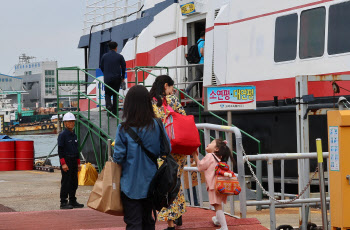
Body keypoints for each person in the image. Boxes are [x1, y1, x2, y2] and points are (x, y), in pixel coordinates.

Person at [113, 85, 170, 230]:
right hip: (151, 183)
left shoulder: (123, 128)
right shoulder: (157, 124)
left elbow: (118, 157)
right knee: (148, 222)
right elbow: (166, 149)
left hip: (130, 185)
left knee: (133, 223)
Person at [150, 75, 187, 230]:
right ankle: (177, 215)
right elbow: (184, 119)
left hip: (162, 149)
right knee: (176, 181)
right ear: (166, 86)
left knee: (167, 184)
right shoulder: (172, 100)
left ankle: (171, 222)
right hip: (178, 148)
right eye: (172, 87)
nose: (173, 91)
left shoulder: (151, 102)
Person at [192, 139, 235, 230]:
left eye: (211, 143)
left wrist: (194, 155)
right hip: (220, 184)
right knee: (218, 204)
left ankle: (224, 227)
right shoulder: (218, 158)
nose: (208, 143)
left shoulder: (210, 156)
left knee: (217, 205)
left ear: (216, 149)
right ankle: (217, 219)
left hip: (213, 185)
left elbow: (200, 166)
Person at [58, 112, 84, 209]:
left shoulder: (74, 135)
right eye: (69, 122)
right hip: (67, 160)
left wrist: (78, 163)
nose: (71, 123)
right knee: (66, 182)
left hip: (74, 160)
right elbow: (60, 150)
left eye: (73, 122)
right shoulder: (62, 135)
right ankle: (63, 202)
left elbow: (77, 150)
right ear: (65, 123)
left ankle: (72, 200)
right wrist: (63, 164)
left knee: (74, 181)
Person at [100, 41, 126, 115]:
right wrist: (123, 77)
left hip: (107, 78)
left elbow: (101, 66)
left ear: (109, 47)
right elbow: (123, 67)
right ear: (116, 47)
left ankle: (108, 106)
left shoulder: (104, 56)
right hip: (117, 78)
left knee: (107, 94)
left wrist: (105, 73)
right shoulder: (120, 56)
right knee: (115, 94)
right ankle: (114, 112)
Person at [186, 31, 205, 96]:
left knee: (197, 78)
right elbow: (202, 51)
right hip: (203, 63)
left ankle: (188, 88)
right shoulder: (203, 42)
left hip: (198, 64)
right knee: (207, 78)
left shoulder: (198, 42)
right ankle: (205, 95)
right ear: (204, 36)